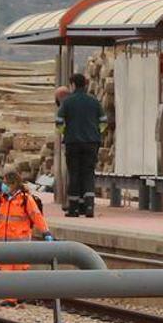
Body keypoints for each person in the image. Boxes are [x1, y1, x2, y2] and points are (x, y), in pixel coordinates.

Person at [0, 170, 54, 307]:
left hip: (19, 242)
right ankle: (12, 298)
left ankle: (14, 298)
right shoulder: (0, 198)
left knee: (17, 271)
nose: (3, 186)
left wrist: (46, 232)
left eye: (5, 183)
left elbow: (36, 216)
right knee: (5, 271)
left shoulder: (25, 199)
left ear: (13, 184)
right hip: (3, 241)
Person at [56, 73, 107, 218]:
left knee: (75, 173)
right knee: (88, 173)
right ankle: (89, 207)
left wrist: (66, 132)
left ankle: (74, 208)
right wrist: (96, 132)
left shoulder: (67, 102)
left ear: (72, 85)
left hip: (73, 142)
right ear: (85, 84)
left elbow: (59, 122)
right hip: (92, 143)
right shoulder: (94, 101)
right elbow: (103, 121)